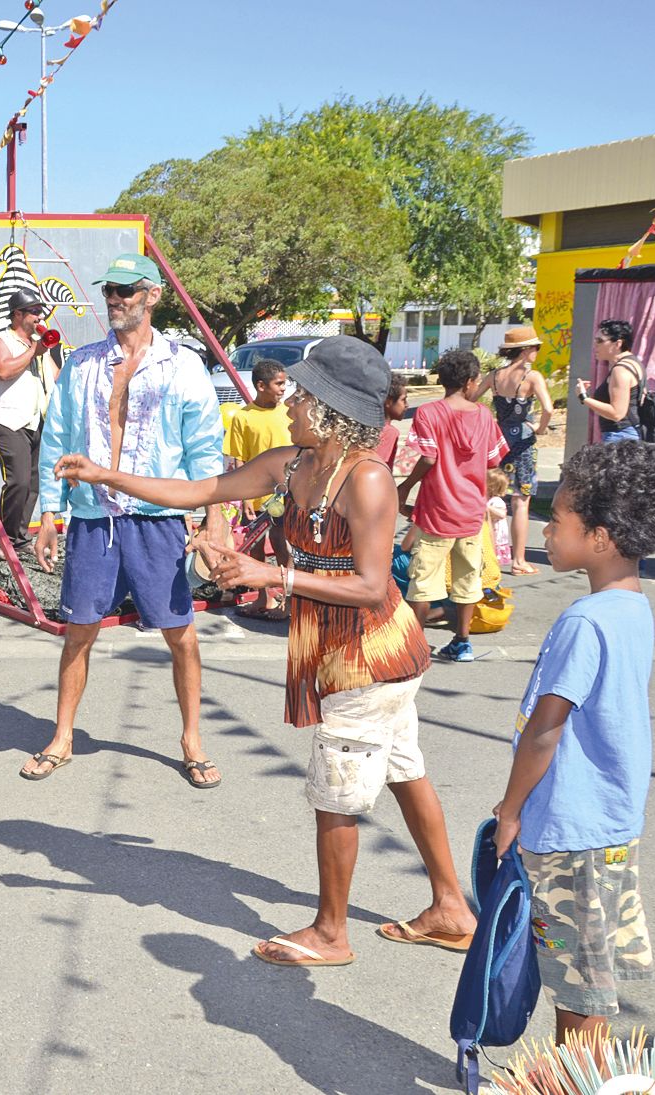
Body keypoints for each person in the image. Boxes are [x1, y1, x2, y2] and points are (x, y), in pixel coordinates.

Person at [56, 336, 474, 966]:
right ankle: (450, 908)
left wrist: (268, 575)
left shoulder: (367, 481)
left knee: (336, 791)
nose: (293, 404)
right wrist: (106, 474)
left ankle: (332, 935)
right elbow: (203, 491)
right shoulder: (292, 465)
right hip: (347, 652)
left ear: (334, 410)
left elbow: (368, 586)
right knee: (403, 771)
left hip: (369, 657)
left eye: (305, 396)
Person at [491, 441, 655, 1047]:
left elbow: (545, 728)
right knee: (591, 974)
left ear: (601, 537)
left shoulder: (584, 621)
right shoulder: (633, 605)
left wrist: (508, 811)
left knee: (576, 985)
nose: (547, 532)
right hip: (610, 823)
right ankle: (583, 1075)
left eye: (558, 521)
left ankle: (576, 1080)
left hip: (568, 828)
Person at [22, 253, 228, 787]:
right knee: (78, 632)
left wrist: (214, 519)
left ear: (152, 295)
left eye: (126, 290)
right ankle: (63, 736)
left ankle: (192, 740)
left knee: (180, 634)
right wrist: (49, 511)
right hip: (93, 519)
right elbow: (57, 441)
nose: (114, 299)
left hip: (157, 519)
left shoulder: (183, 365)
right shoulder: (83, 364)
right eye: (109, 290)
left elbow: (206, 449)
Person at [396, 349, 509, 663]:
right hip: (472, 512)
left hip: (437, 512)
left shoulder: (429, 413)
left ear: (442, 380)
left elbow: (428, 457)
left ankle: (415, 645)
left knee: (423, 581)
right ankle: (462, 642)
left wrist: (405, 486)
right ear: (471, 382)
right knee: (467, 578)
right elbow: (493, 460)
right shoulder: (484, 416)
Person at [0, 287, 55, 556]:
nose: (39, 316)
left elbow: (55, 376)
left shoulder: (38, 346)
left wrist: (52, 352)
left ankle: (20, 537)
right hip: (8, 420)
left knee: (34, 484)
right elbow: (3, 370)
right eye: (34, 311)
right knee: (19, 482)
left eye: (40, 311)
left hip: (36, 421)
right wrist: (35, 350)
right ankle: (4, 540)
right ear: (17, 314)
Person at [224, 358, 292, 620]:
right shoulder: (243, 417)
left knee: (282, 546)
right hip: (254, 497)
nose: (283, 389)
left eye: (284, 383)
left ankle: (288, 600)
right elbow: (239, 460)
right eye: (279, 384)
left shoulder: (288, 412)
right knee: (255, 549)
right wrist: (243, 499)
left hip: (285, 494)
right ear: (261, 386)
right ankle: (264, 598)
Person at [489, 327, 554, 574]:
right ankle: (518, 560)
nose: (537, 351)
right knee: (521, 501)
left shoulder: (495, 375)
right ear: (526, 350)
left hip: (499, 439)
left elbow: (471, 398)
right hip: (523, 442)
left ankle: (488, 553)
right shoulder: (532, 376)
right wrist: (540, 428)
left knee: (493, 496)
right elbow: (547, 408)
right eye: (536, 347)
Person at [575, 319, 644, 443]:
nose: (595, 345)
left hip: (620, 436)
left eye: (600, 341)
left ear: (618, 344)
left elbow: (617, 413)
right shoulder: (633, 363)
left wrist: (584, 397)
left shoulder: (620, 370)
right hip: (627, 434)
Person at [375, 375, 408, 467]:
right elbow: (379, 467)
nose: (407, 405)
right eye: (403, 400)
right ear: (388, 402)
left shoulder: (369, 427)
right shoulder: (389, 432)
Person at [486, 467, 511, 568]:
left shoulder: (496, 501)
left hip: (496, 537)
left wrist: (487, 508)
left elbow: (502, 514)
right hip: (490, 534)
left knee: (493, 561)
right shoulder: (488, 499)